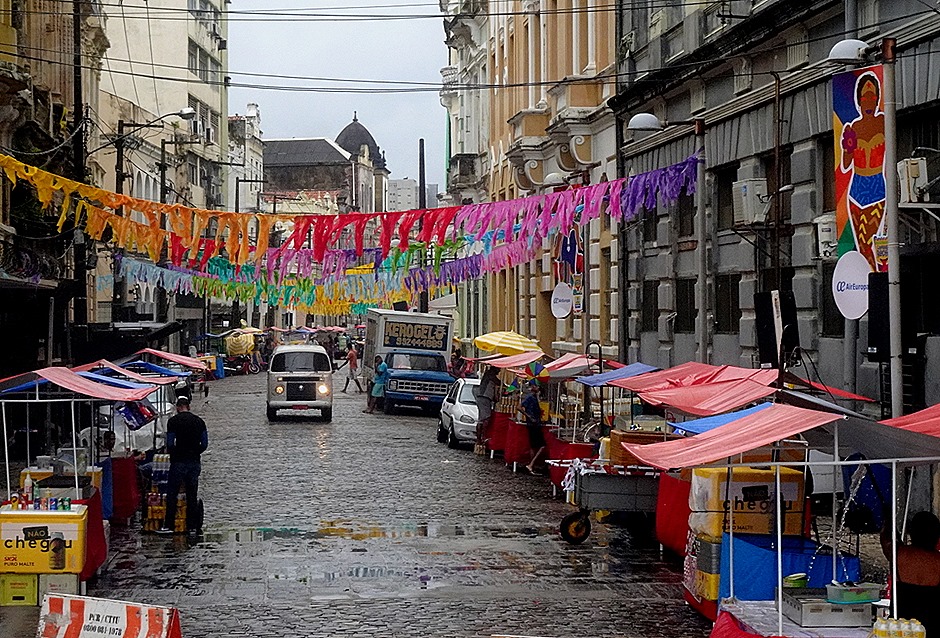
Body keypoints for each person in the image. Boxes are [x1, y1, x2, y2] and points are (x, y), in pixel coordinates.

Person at [881, 510, 940, 636]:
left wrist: (889, 521)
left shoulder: (898, 553)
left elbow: (886, 538)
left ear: (912, 533)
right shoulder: (937, 561)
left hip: (900, 629)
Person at [158, 397, 208, 536]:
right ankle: (191, 527)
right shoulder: (199, 422)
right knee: (192, 494)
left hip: (178, 462)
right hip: (194, 462)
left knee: (172, 493)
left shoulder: (173, 422)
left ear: (177, 407)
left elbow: (170, 443)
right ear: (188, 406)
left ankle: (169, 525)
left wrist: (176, 453)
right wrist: (196, 452)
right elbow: (204, 443)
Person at [521, 380, 546, 474]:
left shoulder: (535, 397)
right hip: (533, 424)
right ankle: (531, 464)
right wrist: (530, 417)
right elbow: (519, 407)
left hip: (535, 423)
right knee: (542, 445)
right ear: (533, 387)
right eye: (537, 386)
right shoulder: (530, 397)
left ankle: (531, 465)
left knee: (533, 446)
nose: (538, 388)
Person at [473, 366, 500, 448]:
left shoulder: (489, 374)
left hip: (484, 398)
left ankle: (480, 438)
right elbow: (498, 382)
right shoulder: (490, 374)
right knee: (485, 419)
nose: (499, 371)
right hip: (484, 398)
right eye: (498, 369)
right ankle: (481, 438)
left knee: (482, 419)